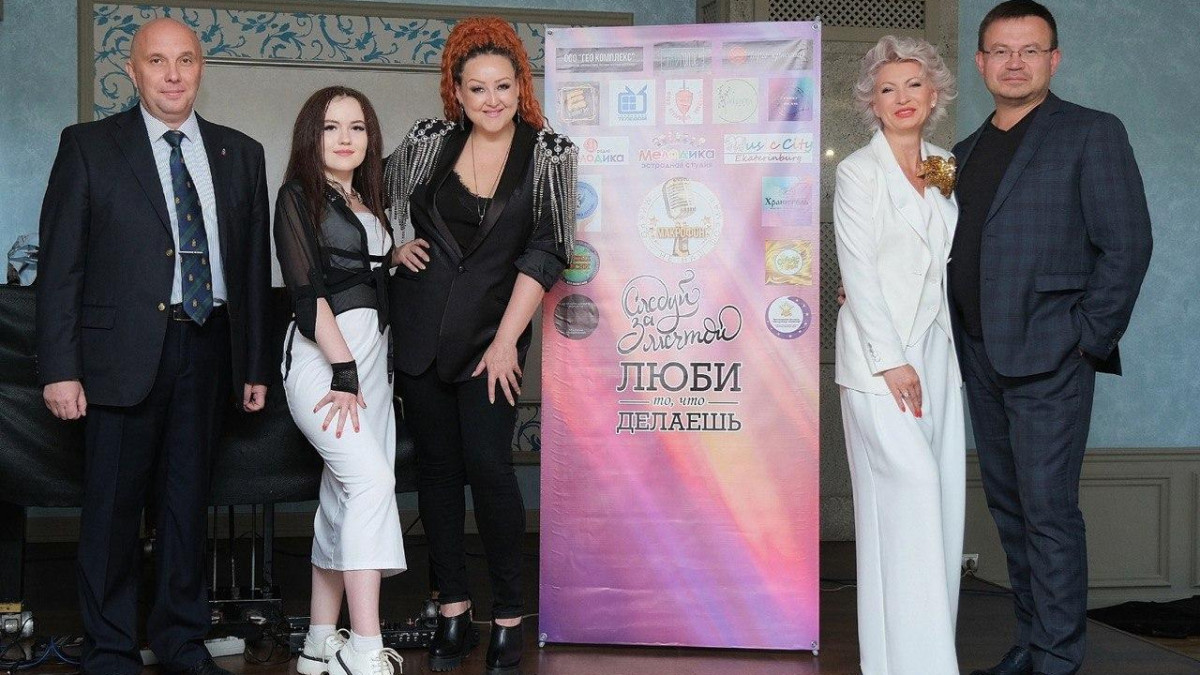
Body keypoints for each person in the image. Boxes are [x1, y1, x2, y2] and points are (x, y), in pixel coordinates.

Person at [35, 18, 271, 675]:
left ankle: (182, 642)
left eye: (185, 60)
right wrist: (60, 368)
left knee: (187, 506)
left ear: (201, 69)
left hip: (209, 348)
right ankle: (110, 649)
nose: (172, 74)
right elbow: (60, 267)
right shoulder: (88, 146)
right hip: (119, 357)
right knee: (112, 509)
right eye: (157, 61)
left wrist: (253, 362)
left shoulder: (240, 153)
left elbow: (252, 269)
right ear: (132, 70)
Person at [954, 3, 1152, 674]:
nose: (1014, 62)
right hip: (979, 357)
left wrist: (1085, 339)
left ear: (1054, 60)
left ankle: (1058, 659)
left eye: (1030, 50)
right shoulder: (962, 154)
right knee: (1011, 513)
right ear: (981, 62)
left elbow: (1127, 245)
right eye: (1001, 51)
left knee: (1048, 514)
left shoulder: (1091, 132)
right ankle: (1030, 645)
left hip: (1052, 358)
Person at [383, 16, 576, 675]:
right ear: (456, 92)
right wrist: (392, 245)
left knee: (490, 469)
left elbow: (547, 251)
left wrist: (505, 343)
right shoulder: (428, 141)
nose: (492, 99)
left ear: (520, 86)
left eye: (503, 85)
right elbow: (363, 194)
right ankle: (453, 610)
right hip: (420, 334)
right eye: (477, 88)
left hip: (493, 340)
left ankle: (508, 617)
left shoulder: (550, 153)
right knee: (437, 473)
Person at [833, 35, 963, 675]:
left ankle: (915, 661)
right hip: (878, 360)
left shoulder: (943, 165)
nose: (902, 97)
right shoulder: (858, 171)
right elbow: (857, 271)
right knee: (908, 494)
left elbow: (947, 256)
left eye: (914, 85)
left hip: (938, 353)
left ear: (934, 95)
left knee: (940, 505)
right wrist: (891, 360)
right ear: (872, 103)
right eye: (888, 89)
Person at [274, 87, 406, 675]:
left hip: (372, 361)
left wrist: (395, 255)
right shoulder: (298, 196)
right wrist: (345, 370)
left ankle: (318, 641)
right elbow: (309, 294)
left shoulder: (364, 198)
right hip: (327, 361)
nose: (346, 138)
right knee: (372, 483)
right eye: (331, 127)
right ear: (312, 135)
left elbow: (359, 268)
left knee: (343, 494)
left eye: (357, 127)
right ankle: (365, 647)